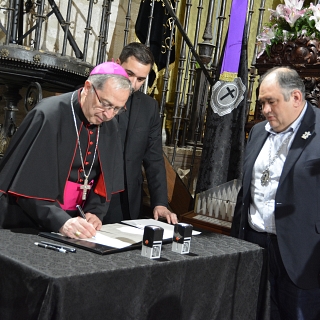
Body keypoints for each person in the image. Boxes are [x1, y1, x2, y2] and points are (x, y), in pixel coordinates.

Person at [0, 62, 132, 239]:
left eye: (117, 109)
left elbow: (104, 181)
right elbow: (28, 187)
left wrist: (95, 212)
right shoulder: (49, 115)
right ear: (88, 88)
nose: (108, 115)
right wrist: (60, 221)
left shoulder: (110, 125)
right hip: (28, 222)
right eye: (105, 104)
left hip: (76, 223)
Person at [231, 66, 320, 319]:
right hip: (255, 246)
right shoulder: (258, 132)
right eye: (262, 103)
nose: (265, 110)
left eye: (271, 102)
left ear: (295, 98)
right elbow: (246, 193)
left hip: (300, 256)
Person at [103, 42, 178, 224]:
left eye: (141, 79)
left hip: (128, 200)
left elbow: (154, 158)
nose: (133, 83)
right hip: (95, 195)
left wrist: (160, 202)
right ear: (117, 63)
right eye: (129, 74)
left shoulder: (149, 107)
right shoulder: (99, 97)